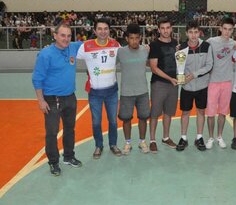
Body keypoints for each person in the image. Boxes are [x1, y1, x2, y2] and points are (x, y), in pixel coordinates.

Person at [32, 23, 82, 176]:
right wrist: (41, 100)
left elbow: (95, 43)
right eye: (62, 35)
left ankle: (69, 156)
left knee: (69, 129)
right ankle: (53, 162)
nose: (66, 39)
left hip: (70, 97)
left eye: (68, 36)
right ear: (54, 35)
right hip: (51, 99)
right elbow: (37, 79)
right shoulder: (45, 54)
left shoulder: (73, 47)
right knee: (52, 132)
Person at [77, 18, 122, 159]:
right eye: (100, 29)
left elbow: (128, 55)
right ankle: (98, 145)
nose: (103, 32)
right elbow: (69, 52)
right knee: (96, 121)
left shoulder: (116, 45)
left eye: (106, 29)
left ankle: (113, 144)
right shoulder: (86, 46)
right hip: (95, 93)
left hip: (112, 92)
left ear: (109, 30)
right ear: (95, 30)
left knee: (113, 121)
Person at [175, 21, 213, 152]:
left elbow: (209, 66)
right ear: (186, 33)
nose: (193, 35)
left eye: (196, 32)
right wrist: (182, 78)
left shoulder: (207, 46)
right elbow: (179, 68)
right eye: (191, 32)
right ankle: (183, 138)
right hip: (187, 88)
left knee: (201, 111)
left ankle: (199, 137)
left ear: (199, 33)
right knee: (185, 112)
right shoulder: (181, 48)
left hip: (202, 86)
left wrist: (194, 75)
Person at [116, 24, 150, 155]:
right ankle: (128, 143)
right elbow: (107, 65)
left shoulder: (145, 50)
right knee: (126, 118)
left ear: (140, 38)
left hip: (143, 92)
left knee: (143, 117)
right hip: (126, 92)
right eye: (131, 38)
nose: (134, 41)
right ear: (127, 38)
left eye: (137, 38)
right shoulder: (120, 52)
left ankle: (142, 141)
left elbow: (154, 63)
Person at [205, 17, 236, 149]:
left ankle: (219, 136)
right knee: (211, 113)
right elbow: (196, 44)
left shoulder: (234, 44)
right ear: (220, 29)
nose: (227, 32)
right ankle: (211, 137)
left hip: (227, 82)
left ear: (232, 30)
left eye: (230, 30)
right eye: (225, 29)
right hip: (213, 82)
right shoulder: (211, 41)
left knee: (223, 112)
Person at [148, 17, 178, 153]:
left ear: (171, 29)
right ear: (159, 30)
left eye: (168, 28)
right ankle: (152, 140)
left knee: (169, 113)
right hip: (159, 84)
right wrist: (170, 79)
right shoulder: (154, 45)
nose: (166, 31)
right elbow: (154, 68)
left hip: (174, 84)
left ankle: (166, 137)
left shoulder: (175, 43)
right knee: (155, 113)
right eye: (163, 28)